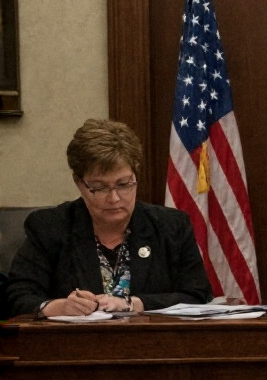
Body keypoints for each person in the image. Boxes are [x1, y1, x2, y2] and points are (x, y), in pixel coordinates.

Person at [4, 119, 212, 318]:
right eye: (100, 187)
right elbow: (15, 296)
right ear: (79, 183)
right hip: (73, 349)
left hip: (156, 349)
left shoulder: (171, 226)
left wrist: (135, 304)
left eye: (123, 184)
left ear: (136, 176)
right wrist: (56, 307)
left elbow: (198, 295)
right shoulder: (50, 227)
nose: (114, 198)